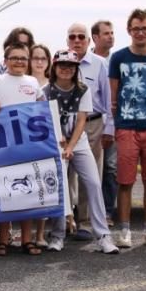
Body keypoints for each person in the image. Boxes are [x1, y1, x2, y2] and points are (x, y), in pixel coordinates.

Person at [42, 50, 119, 254]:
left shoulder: (82, 90)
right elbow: (43, 120)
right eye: (62, 65)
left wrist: (70, 147)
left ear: (76, 69)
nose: (66, 69)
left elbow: (82, 121)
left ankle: (103, 235)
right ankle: (58, 234)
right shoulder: (46, 91)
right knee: (61, 188)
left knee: (93, 183)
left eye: (71, 66)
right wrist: (60, 145)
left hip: (78, 141)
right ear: (55, 68)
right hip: (56, 143)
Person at [109, 9, 146, 248]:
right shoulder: (118, 58)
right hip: (126, 125)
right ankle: (124, 230)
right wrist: (116, 125)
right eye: (136, 29)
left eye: (144, 28)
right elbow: (113, 97)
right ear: (129, 31)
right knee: (125, 181)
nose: (140, 32)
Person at [0, 43, 44, 256]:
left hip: (27, 143)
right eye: (14, 58)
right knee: (4, 190)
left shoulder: (33, 81)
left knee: (28, 191)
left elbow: (43, 106)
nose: (19, 61)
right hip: (2, 143)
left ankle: (27, 239)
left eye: (23, 58)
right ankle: (3, 238)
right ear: (5, 60)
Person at [66, 22, 114, 240]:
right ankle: (67, 221)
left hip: (93, 123)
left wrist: (109, 128)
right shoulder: (61, 61)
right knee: (67, 174)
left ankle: (85, 222)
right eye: (72, 37)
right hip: (66, 124)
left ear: (88, 40)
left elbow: (108, 99)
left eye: (81, 37)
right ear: (67, 40)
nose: (77, 40)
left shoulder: (100, 64)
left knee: (91, 175)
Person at [91, 20, 118, 223]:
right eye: (106, 33)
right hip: (88, 122)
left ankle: (107, 210)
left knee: (110, 166)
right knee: (87, 168)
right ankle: (83, 210)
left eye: (112, 33)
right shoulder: (85, 60)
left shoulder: (117, 61)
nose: (110, 36)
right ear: (95, 37)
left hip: (112, 120)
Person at [28, 43, 53, 248]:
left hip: (44, 141)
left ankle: (41, 234)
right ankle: (23, 234)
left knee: (43, 185)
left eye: (43, 58)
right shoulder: (24, 82)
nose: (38, 62)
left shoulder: (52, 86)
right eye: (35, 57)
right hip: (23, 141)